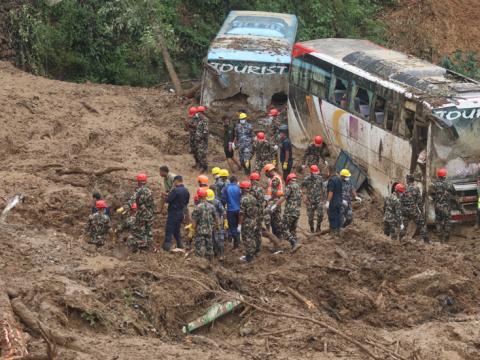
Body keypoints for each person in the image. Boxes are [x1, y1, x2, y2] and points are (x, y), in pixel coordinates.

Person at [118, 173, 155, 251]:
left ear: (138, 181)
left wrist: (124, 207)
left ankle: (135, 248)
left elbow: (132, 200)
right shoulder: (149, 191)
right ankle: (148, 248)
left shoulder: (139, 190)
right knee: (148, 232)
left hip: (142, 215)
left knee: (137, 232)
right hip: (150, 215)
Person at [162, 175, 190, 251]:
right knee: (176, 230)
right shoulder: (186, 190)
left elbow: (168, 200)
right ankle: (180, 244)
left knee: (169, 229)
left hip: (173, 213)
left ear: (176, 181)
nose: (173, 183)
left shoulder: (175, 190)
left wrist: (165, 196)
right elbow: (186, 202)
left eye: (174, 182)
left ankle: (166, 247)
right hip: (181, 213)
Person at [275, 173, 302, 251]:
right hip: (297, 212)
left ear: (289, 180)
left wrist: (275, 205)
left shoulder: (290, 186)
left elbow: (284, 197)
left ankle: (294, 243)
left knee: (284, 228)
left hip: (290, 212)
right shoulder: (298, 187)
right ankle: (295, 246)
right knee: (293, 230)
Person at [429, 168, 456, 242]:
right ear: (444, 176)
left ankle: (440, 238)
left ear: (438, 176)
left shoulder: (433, 184)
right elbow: (454, 193)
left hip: (437, 207)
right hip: (446, 207)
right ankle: (446, 238)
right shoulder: (449, 184)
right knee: (447, 221)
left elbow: (431, 195)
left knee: (438, 221)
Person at [400, 174, 428, 243]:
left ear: (408, 180)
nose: (406, 180)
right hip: (413, 211)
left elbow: (401, 200)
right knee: (422, 223)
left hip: (405, 211)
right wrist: (421, 212)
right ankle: (424, 240)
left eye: (406, 179)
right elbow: (419, 202)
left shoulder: (404, 188)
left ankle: (400, 239)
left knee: (404, 225)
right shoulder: (416, 188)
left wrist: (402, 210)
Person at [191, 189, 218, 260]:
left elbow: (194, 221)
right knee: (209, 247)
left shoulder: (197, 207)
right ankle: (211, 262)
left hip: (200, 231)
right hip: (209, 230)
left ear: (199, 197)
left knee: (199, 248)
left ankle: (200, 263)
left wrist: (191, 231)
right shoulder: (211, 206)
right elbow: (216, 219)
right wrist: (216, 227)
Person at [301, 165, 325, 233]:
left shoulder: (320, 178)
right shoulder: (306, 179)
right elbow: (300, 187)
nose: (316, 174)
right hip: (310, 201)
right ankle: (312, 229)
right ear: (311, 172)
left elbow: (324, 188)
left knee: (320, 215)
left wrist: (323, 199)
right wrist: (303, 196)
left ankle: (318, 227)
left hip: (319, 200)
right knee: (310, 218)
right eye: (315, 173)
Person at [264, 163, 284, 238]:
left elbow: (274, 193)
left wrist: (266, 198)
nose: (266, 174)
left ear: (269, 171)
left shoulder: (275, 179)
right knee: (274, 220)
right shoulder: (274, 178)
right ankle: (275, 236)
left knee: (268, 215)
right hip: (274, 200)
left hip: (275, 201)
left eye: (266, 173)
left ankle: (269, 233)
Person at [239, 181, 257, 262]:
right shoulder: (253, 198)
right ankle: (251, 255)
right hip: (253, 220)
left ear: (243, 189)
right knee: (251, 238)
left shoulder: (243, 199)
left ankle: (249, 258)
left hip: (246, 222)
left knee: (247, 239)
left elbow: (242, 213)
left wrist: (239, 224)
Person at [221, 175, 241, 248]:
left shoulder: (226, 188)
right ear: (236, 181)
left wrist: (222, 209)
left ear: (230, 181)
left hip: (230, 210)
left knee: (232, 227)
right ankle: (238, 241)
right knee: (238, 226)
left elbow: (223, 200)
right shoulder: (239, 188)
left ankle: (236, 241)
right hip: (239, 210)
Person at [207, 188, 225, 260]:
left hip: (214, 223)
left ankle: (220, 254)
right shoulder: (216, 202)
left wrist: (225, 221)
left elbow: (223, 212)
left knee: (217, 239)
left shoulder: (216, 202)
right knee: (215, 239)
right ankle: (217, 253)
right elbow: (223, 212)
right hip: (214, 223)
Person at [249, 172, 264, 255]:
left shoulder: (252, 188)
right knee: (258, 230)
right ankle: (258, 248)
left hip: (254, 212)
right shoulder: (260, 188)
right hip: (260, 212)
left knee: (252, 230)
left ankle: (253, 249)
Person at [325, 165, 343, 236]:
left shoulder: (331, 180)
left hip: (333, 202)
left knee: (332, 217)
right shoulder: (339, 179)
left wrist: (328, 202)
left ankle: (333, 234)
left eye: (327, 170)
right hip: (339, 201)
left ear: (329, 171)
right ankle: (338, 232)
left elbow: (331, 192)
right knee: (338, 216)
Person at [194, 106, 209, 172]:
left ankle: (205, 167)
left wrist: (200, 138)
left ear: (201, 112)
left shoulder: (205, 120)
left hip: (202, 140)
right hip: (199, 140)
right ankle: (202, 165)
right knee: (199, 153)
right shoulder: (200, 120)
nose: (198, 114)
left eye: (198, 113)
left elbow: (205, 132)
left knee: (202, 153)